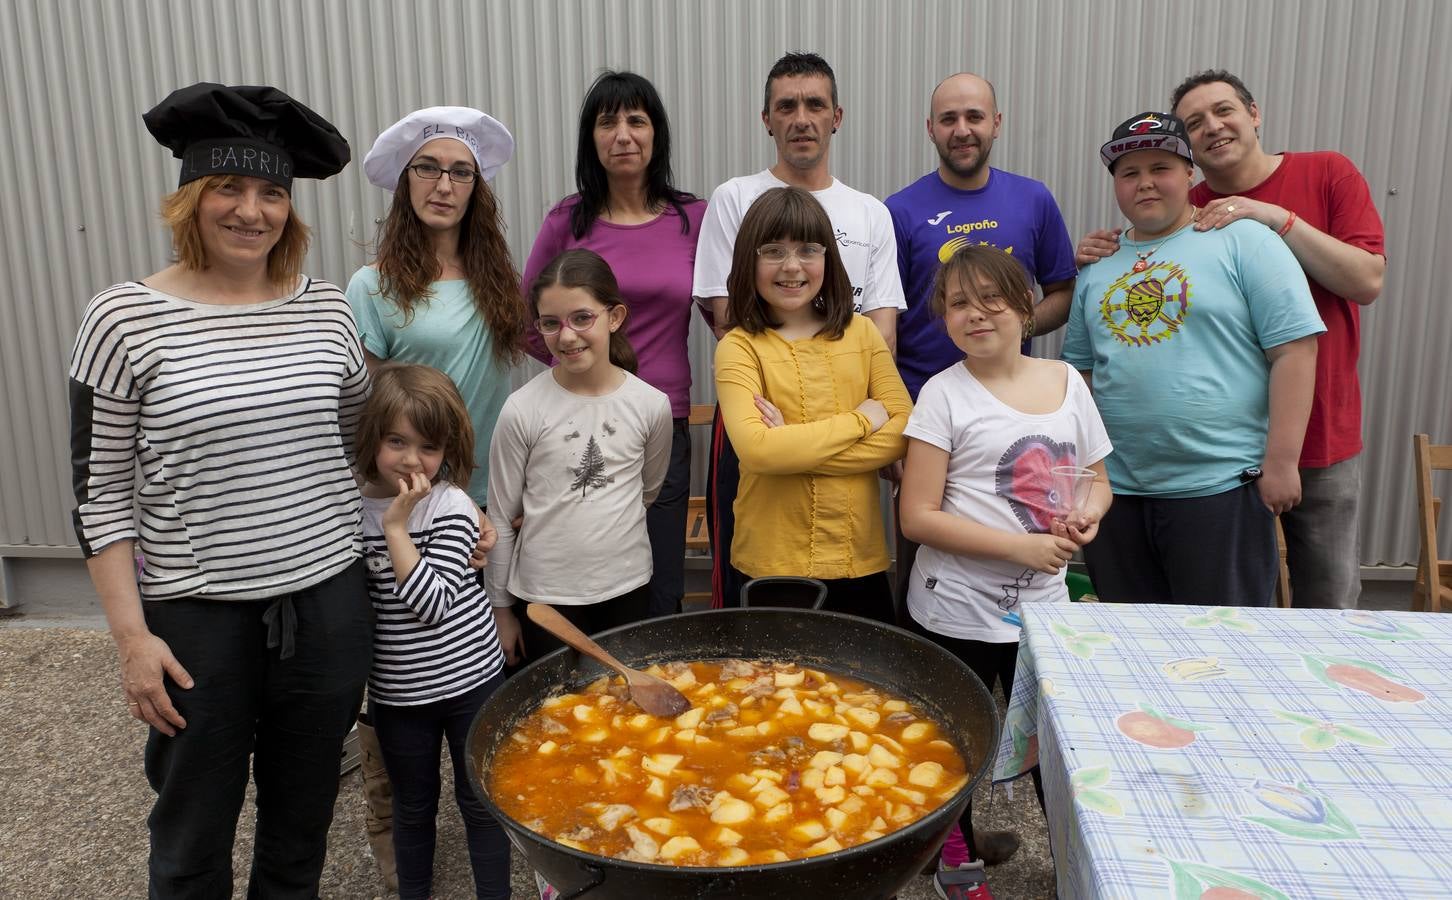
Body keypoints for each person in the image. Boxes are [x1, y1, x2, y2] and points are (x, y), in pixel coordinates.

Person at [68, 83, 370, 897]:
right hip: (197, 617)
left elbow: (355, 451)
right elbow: (98, 495)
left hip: (327, 605)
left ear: (290, 209)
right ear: (192, 200)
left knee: (302, 820)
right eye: (229, 190)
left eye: (271, 191)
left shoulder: (329, 310)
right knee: (193, 825)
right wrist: (133, 639)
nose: (251, 211)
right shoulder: (122, 319)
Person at [1078, 70, 1386, 610]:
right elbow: (1080, 374)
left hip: (1220, 486)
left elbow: (1295, 347)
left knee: (1242, 638)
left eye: (1160, 168)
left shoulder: (1244, 236)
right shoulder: (1101, 267)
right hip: (1121, 491)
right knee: (1132, 639)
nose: (1145, 182)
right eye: (1129, 172)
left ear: (1188, 172)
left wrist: (1281, 461)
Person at [899, 246, 1111, 898]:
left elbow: (1099, 480)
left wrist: (1088, 515)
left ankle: (1080, 872)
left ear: (1026, 306)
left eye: (991, 298)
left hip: (1044, 614)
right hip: (954, 608)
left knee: (1058, 755)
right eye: (958, 303)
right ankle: (957, 870)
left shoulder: (1068, 382)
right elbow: (916, 517)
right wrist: (1018, 547)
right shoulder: (942, 394)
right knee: (953, 748)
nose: (975, 314)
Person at [694, 51, 906, 608]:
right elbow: (730, 320)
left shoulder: (870, 212)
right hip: (767, 402)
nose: (801, 117)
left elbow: (882, 336)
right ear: (767, 118)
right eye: (786, 106)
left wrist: (798, 439)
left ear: (837, 115)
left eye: (815, 104)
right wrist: (860, 421)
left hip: (839, 421)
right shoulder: (735, 197)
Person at [522, 71, 705, 619]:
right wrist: (583, 371)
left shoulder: (692, 218)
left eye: (636, 120)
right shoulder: (566, 221)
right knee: (591, 581)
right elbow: (528, 322)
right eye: (608, 122)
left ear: (656, 134)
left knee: (662, 583)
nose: (622, 135)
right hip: (581, 423)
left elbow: (729, 313)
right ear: (591, 139)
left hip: (661, 425)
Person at [714, 187, 911, 621]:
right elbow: (758, 450)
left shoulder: (862, 333)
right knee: (771, 686)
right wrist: (861, 420)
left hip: (856, 553)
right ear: (749, 259)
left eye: (807, 249)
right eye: (773, 251)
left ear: (828, 259)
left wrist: (790, 447)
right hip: (771, 560)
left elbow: (902, 433)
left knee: (863, 688)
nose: (791, 266)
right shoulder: (738, 347)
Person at [356, 364, 510, 900]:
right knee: (413, 806)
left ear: (449, 449)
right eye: (396, 441)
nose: (410, 460)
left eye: (428, 446)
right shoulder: (351, 512)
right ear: (372, 436)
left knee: (481, 801)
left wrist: (397, 527)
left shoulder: (450, 506)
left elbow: (433, 605)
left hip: (472, 683)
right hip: (399, 695)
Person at [349, 105, 524, 558]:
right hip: (421, 503)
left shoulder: (498, 279)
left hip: (501, 490)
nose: (444, 185)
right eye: (428, 168)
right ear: (405, 179)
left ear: (475, 187)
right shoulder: (372, 286)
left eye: (461, 172)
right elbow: (369, 412)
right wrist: (443, 497)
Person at [488, 249, 672, 658]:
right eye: (551, 323)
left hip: (626, 589)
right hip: (544, 598)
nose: (567, 336)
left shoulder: (651, 405)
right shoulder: (523, 409)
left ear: (615, 317)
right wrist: (502, 611)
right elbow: (500, 515)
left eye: (582, 318)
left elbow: (647, 491)